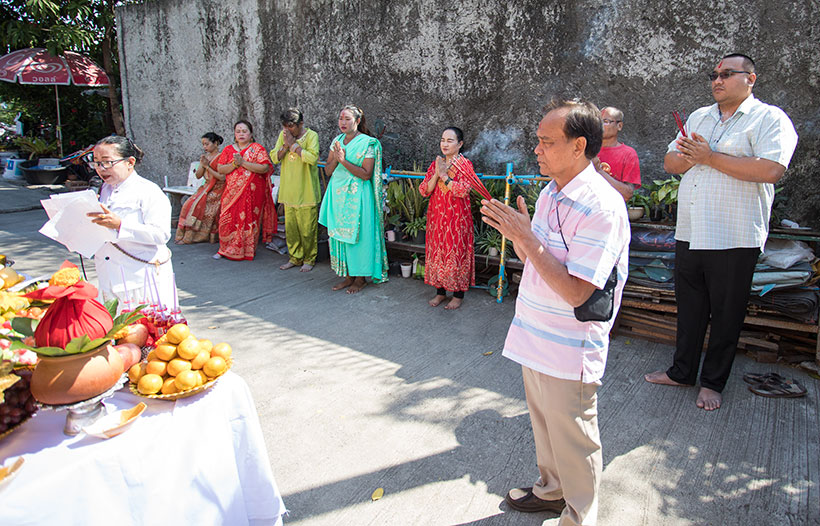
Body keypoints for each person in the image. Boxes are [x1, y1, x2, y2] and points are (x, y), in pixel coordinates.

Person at [481, 99, 630, 525]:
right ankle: (551, 492)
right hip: (536, 332)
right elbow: (540, 263)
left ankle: (580, 516)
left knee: (575, 438)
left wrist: (525, 239)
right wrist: (523, 236)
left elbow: (578, 291)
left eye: (546, 142)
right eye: (538, 141)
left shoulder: (602, 206)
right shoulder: (551, 191)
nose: (537, 150)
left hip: (570, 344)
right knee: (546, 426)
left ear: (579, 145)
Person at [645, 53, 798, 411]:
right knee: (690, 307)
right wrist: (689, 157)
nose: (718, 80)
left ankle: (713, 383)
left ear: (751, 78)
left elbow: (771, 170)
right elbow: (671, 163)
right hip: (691, 230)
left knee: (727, 313)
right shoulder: (699, 117)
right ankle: (682, 371)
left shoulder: (769, 118)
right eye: (714, 74)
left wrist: (709, 157)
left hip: (733, 233)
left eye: (727, 74)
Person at [86, 135, 176, 310]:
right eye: (96, 162)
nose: (101, 168)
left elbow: (161, 234)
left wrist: (120, 225)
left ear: (130, 162)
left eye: (107, 162)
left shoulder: (148, 191)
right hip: (108, 273)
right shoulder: (102, 190)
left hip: (141, 278)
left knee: (144, 331)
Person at [318, 105, 388, 293]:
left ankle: (360, 278)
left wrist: (343, 161)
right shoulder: (337, 141)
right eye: (341, 118)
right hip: (338, 195)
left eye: (348, 119)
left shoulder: (369, 143)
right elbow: (327, 170)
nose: (343, 122)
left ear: (357, 121)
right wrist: (336, 158)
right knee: (339, 236)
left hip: (359, 196)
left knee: (360, 236)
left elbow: (366, 174)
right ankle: (348, 276)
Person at [419, 127, 475, 309]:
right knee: (438, 253)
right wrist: (437, 173)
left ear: (460, 144)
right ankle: (440, 292)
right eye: (443, 139)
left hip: (457, 219)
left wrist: (444, 176)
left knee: (456, 253)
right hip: (437, 219)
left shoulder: (465, 165)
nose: (444, 144)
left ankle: (458, 295)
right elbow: (424, 190)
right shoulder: (436, 163)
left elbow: (462, 190)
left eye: (450, 140)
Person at [214, 120, 276, 261]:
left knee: (248, 221)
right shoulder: (228, 150)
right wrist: (235, 164)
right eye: (238, 131)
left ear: (251, 134)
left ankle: (246, 251)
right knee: (227, 220)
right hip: (231, 193)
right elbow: (221, 169)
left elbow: (264, 168)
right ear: (234, 134)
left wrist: (243, 163)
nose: (241, 134)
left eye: (244, 131)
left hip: (252, 194)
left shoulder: (257, 149)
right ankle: (224, 249)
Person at [270, 109, 320, 272]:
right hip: (288, 190)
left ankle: (309, 259)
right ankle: (294, 257)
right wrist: (285, 145)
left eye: (292, 126)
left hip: (306, 191)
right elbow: (274, 158)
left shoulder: (312, 136)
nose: (288, 130)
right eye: (286, 127)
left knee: (307, 230)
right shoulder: (283, 135)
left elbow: (313, 159)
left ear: (301, 124)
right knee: (291, 229)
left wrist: (294, 146)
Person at [175, 132, 225, 244]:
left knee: (200, 205)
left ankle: (194, 237)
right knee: (188, 204)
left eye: (207, 144)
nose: (204, 147)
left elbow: (222, 177)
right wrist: (202, 164)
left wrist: (208, 166)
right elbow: (198, 176)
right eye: (203, 145)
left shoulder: (222, 157)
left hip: (218, 189)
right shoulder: (205, 157)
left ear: (216, 143)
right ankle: (185, 234)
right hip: (206, 187)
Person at [593, 106, 641, 200]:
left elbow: (627, 194)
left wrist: (599, 170)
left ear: (619, 126)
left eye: (606, 121)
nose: (600, 125)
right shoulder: (586, 150)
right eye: (598, 121)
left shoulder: (628, 154)